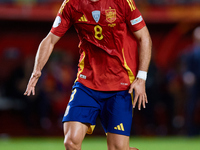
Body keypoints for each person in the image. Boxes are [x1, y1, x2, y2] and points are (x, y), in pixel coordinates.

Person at [24, 0, 152, 149]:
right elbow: (50, 39)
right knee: (70, 142)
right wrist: (36, 70)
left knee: (118, 148)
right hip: (87, 84)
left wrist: (141, 78)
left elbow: (144, 38)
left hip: (120, 85)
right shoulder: (72, 4)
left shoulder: (122, 2)